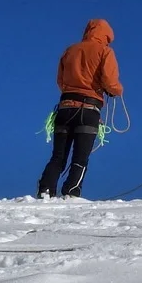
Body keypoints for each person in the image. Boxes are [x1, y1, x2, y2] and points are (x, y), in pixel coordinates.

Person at [37, 19, 124, 199]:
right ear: (107, 35)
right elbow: (110, 81)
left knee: (58, 155)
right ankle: (71, 192)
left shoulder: (70, 50)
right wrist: (116, 90)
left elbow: (60, 81)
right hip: (89, 109)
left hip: (65, 107)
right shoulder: (105, 51)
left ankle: (45, 189)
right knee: (81, 157)